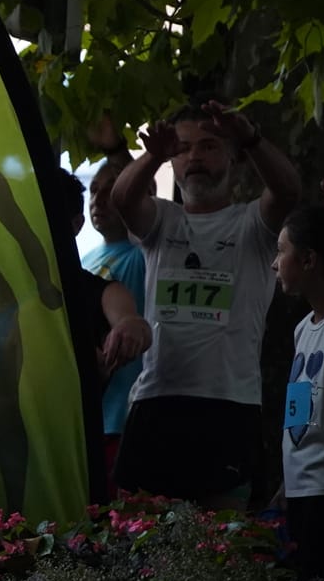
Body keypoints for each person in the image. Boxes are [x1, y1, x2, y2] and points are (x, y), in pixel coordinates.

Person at [110, 100, 301, 503]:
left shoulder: (254, 223)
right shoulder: (162, 220)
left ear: (235, 158)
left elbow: (288, 190)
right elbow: (123, 200)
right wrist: (151, 155)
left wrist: (251, 137)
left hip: (229, 407)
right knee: (138, 545)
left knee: (224, 551)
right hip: (156, 401)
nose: (194, 156)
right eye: (183, 148)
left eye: (210, 145)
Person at [274, 205, 324, 578]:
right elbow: (302, 410)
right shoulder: (302, 329)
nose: (274, 263)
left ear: (309, 259)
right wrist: (287, 479)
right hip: (300, 492)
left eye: (281, 250)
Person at [84, 156, 148, 478]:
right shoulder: (86, 260)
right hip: (88, 417)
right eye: (94, 191)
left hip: (121, 414)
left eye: (111, 191)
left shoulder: (142, 256)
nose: (98, 200)